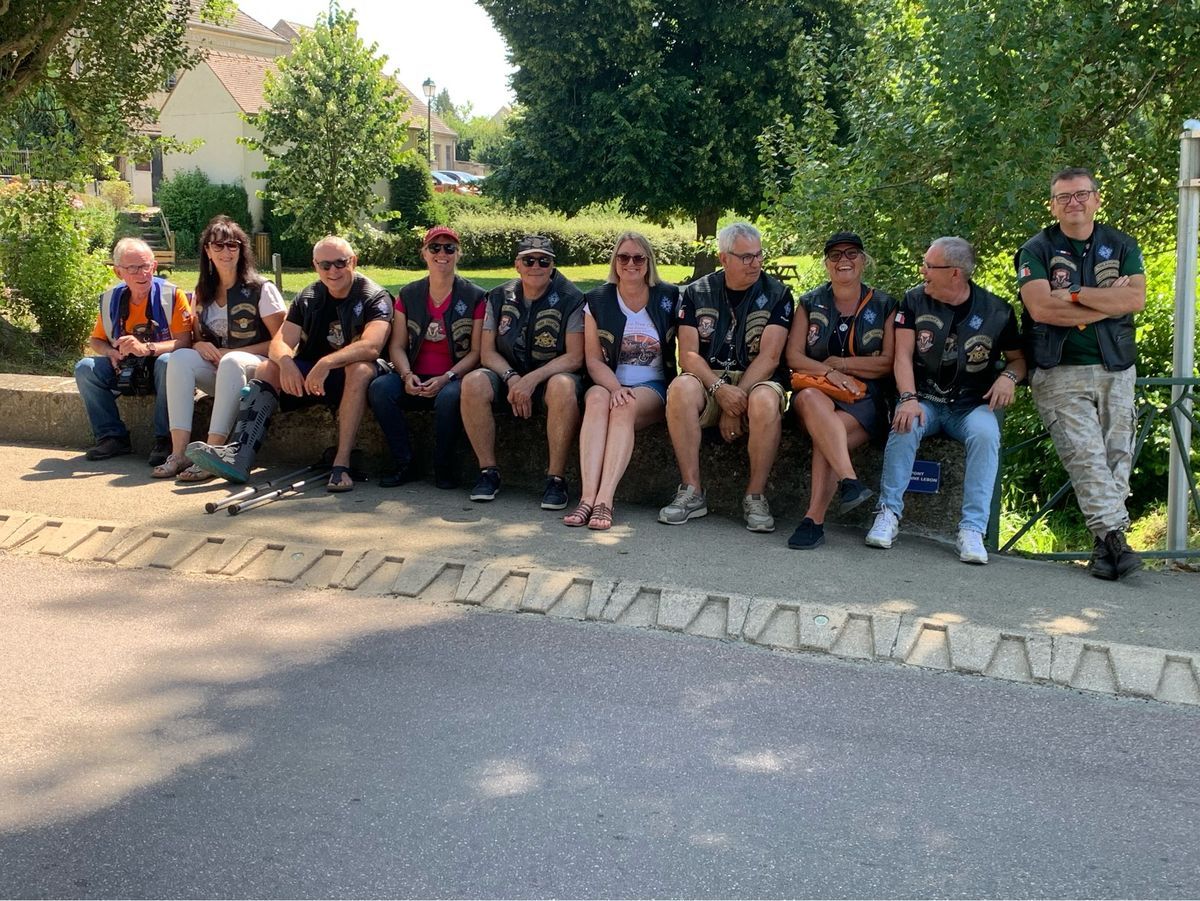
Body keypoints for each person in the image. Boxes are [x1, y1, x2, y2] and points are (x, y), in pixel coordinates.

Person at [1017, 167, 1146, 580]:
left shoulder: (1122, 244)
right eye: (1064, 197)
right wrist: (1108, 302)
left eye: (1081, 194)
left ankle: (1107, 549)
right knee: (1087, 458)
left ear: (1097, 199)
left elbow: (1135, 299)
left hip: (1116, 366)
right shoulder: (1036, 249)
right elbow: (1041, 308)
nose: (1073, 202)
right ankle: (1115, 540)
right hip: (1059, 370)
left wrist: (1074, 295)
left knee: (1117, 459)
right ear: (1052, 206)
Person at [865, 237, 1026, 564]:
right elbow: (902, 356)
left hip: (970, 405)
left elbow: (1019, 360)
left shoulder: (997, 311)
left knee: (986, 434)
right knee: (905, 424)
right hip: (923, 398)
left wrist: (1009, 377)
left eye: (929, 265)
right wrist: (908, 398)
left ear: (955, 273)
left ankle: (972, 529)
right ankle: (888, 513)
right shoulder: (914, 300)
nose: (922, 271)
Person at [186, 236, 392, 490]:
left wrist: (327, 362)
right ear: (315, 265)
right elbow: (280, 341)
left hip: (355, 376)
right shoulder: (308, 296)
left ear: (354, 261)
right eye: (325, 265)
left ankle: (341, 463)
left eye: (341, 263)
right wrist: (285, 362)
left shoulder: (374, 296)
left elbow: (372, 346)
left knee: (359, 368)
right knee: (267, 368)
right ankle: (240, 454)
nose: (333, 271)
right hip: (312, 375)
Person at [658, 221, 794, 532]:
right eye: (746, 257)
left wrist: (735, 402)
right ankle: (691, 491)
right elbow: (688, 355)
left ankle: (755, 496)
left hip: (756, 378)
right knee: (680, 388)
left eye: (759, 255)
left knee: (764, 400)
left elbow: (770, 357)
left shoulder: (778, 294)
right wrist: (720, 390)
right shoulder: (697, 292)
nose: (755, 263)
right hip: (709, 378)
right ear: (724, 258)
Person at [784, 231, 897, 549]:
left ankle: (813, 520)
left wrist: (845, 365)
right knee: (810, 399)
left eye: (851, 254)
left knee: (827, 436)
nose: (843, 260)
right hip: (816, 391)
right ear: (826, 263)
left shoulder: (885, 305)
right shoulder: (810, 303)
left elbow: (888, 362)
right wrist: (830, 372)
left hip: (865, 398)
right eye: (835, 255)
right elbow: (793, 356)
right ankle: (849, 480)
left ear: (863, 260)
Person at [152, 216, 286, 481]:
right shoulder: (203, 292)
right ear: (208, 251)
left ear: (241, 249)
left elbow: (282, 341)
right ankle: (179, 453)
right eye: (218, 245)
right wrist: (200, 343)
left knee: (232, 361)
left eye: (232, 245)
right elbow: (196, 338)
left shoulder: (261, 289)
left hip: (254, 369)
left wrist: (229, 354)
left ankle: (213, 453)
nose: (226, 251)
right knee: (179, 358)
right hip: (220, 371)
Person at [563, 232, 679, 530]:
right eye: (623, 257)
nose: (631, 263)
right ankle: (586, 498)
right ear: (615, 261)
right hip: (608, 381)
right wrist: (615, 388)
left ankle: (605, 499)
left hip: (653, 386)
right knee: (597, 400)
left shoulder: (669, 297)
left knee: (624, 407)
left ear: (649, 262)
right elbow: (593, 360)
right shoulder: (597, 300)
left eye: (638, 257)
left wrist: (622, 394)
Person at [459, 234, 585, 509]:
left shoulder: (572, 298)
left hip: (550, 378)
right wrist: (513, 378)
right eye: (529, 260)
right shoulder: (498, 296)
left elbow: (575, 356)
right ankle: (488, 472)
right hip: (508, 376)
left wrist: (532, 379)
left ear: (552, 266)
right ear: (517, 264)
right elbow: (487, 352)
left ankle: (556, 479)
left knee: (563, 386)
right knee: (473, 382)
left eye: (543, 261)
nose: (536, 266)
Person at [368, 226, 485, 489]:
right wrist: (406, 375)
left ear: (458, 254)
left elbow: (477, 352)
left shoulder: (475, 296)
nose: (442, 253)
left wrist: (447, 377)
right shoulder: (408, 294)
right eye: (435, 247)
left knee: (449, 397)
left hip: (454, 375)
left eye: (449, 248)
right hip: (414, 373)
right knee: (380, 389)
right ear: (424, 253)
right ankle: (404, 463)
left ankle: (443, 467)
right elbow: (397, 345)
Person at [74, 237, 192, 466]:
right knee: (85, 368)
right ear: (119, 272)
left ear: (154, 266)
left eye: (146, 266)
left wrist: (146, 349)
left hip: (162, 368)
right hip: (124, 366)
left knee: (169, 362)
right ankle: (111, 437)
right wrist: (111, 352)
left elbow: (185, 341)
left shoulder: (171, 295)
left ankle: (165, 440)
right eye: (133, 268)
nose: (142, 274)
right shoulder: (110, 299)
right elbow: (96, 340)